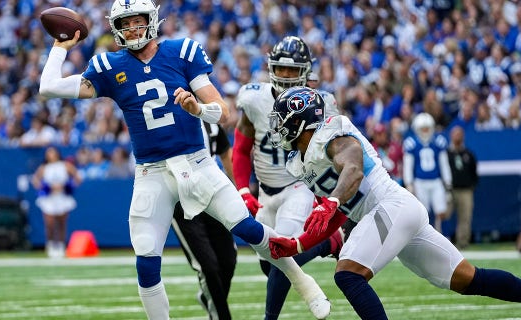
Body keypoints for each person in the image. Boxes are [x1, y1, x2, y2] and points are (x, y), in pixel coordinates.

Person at [38, 2, 330, 319]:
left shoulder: (182, 51)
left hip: (197, 162)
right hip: (151, 172)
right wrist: (59, 47)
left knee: (248, 228)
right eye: (126, 23)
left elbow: (222, 111)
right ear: (116, 27)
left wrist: (198, 110)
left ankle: (305, 284)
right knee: (146, 261)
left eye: (138, 22)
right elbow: (48, 87)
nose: (133, 29)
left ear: (151, 22)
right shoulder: (109, 65)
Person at [266, 86, 521, 319]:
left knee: (348, 274)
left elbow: (353, 169)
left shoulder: (331, 134)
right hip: (393, 213)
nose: (277, 129)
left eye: (281, 121)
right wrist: (299, 244)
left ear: (299, 120)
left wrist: (332, 201)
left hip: (389, 205)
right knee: (468, 278)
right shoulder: (300, 162)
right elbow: (335, 215)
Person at [233, 36, 343, 320]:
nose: (285, 75)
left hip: (299, 185)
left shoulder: (322, 102)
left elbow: (333, 153)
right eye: (280, 69)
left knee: (281, 252)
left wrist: (324, 197)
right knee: (270, 266)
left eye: (292, 70)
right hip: (265, 194)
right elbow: (242, 148)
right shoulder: (255, 98)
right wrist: (244, 189)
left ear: (306, 71)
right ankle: (329, 242)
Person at [171, 121, 237, 320]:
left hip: (212, 196)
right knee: (207, 266)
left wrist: (235, 188)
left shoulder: (211, 124)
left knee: (228, 261)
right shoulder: (166, 124)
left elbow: (226, 153)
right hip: (181, 200)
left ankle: (207, 297)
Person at [403, 113, 452, 233]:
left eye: (427, 128)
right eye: (422, 129)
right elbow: (408, 165)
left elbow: (444, 164)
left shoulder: (438, 141)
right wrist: (409, 183)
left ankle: (445, 237)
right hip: (420, 181)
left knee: (441, 211)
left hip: (436, 181)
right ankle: (427, 239)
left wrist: (448, 182)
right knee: (424, 213)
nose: (425, 131)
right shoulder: (411, 143)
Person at [32, 146, 81, 258]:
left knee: (61, 223)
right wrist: (45, 188)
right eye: (49, 153)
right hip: (49, 198)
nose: (51, 155)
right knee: (49, 223)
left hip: (62, 197)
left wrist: (68, 186)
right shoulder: (44, 167)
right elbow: (35, 180)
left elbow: (78, 177)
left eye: (53, 153)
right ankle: (50, 245)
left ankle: (61, 246)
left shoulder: (65, 165)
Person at [446, 126, 478, 249]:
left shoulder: (468, 154)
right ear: (451, 135)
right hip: (449, 189)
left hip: (465, 190)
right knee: (444, 215)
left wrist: (471, 185)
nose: (458, 136)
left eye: (460, 134)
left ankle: (462, 243)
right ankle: (443, 241)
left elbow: (474, 172)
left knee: (465, 217)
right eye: (455, 134)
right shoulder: (446, 154)